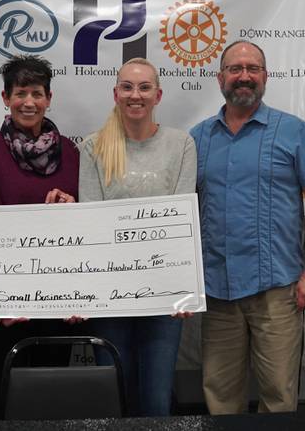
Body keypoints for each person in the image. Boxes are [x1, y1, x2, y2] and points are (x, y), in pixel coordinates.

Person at [190, 40, 305, 414]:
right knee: (220, 396)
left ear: (265, 77)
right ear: (220, 77)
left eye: (253, 69)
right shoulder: (197, 138)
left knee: (279, 397)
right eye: (235, 69)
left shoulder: (292, 130)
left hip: (278, 292)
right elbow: (180, 209)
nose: (244, 76)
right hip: (217, 292)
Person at [78, 57, 196, 416]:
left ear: (158, 95)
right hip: (110, 297)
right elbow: (91, 220)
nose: (135, 95)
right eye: (127, 87)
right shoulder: (93, 146)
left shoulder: (181, 144)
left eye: (144, 87)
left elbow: (181, 221)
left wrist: (181, 287)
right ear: (116, 93)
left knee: (157, 401)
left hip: (163, 298)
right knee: (114, 399)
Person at [0, 54, 79, 419]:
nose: (28, 101)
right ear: (5, 97)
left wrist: (72, 206)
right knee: (6, 387)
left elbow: (85, 227)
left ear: (49, 98)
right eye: (20, 93)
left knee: (56, 390)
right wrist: (4, 297)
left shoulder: (72, 153)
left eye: (36, 93)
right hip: (6, 303)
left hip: (59, 299)